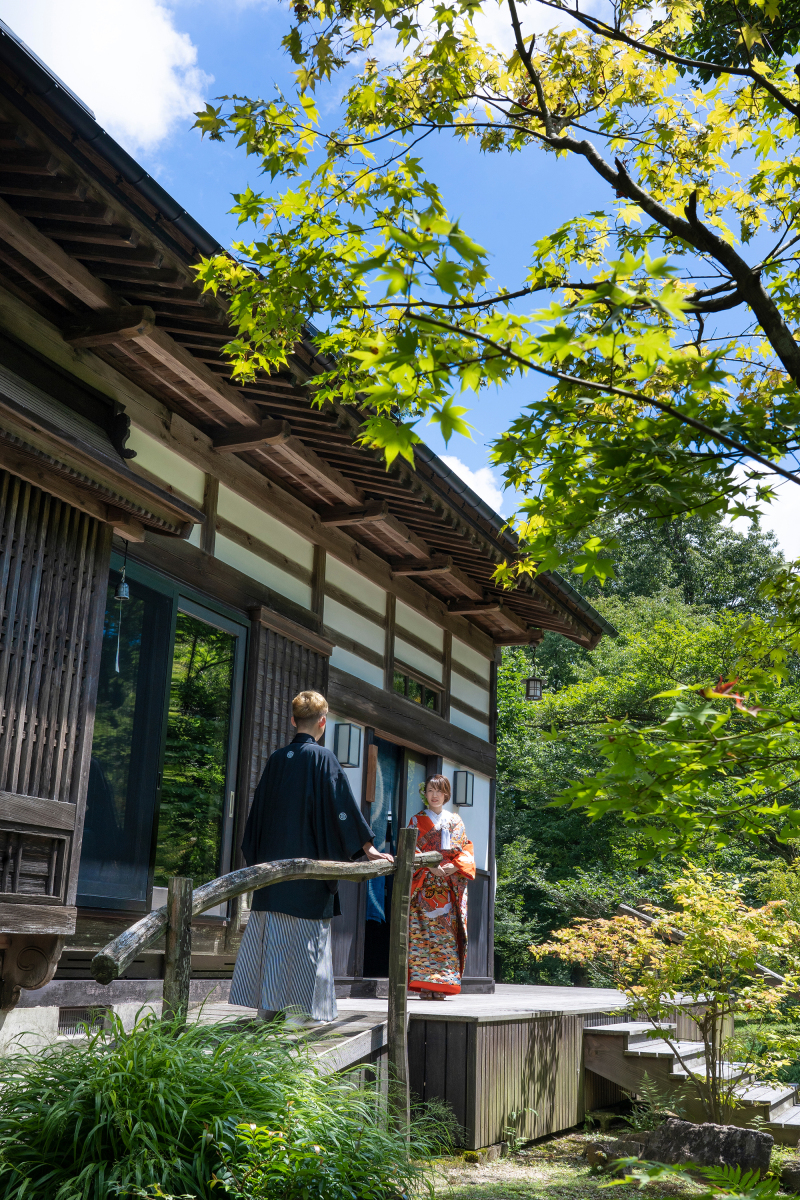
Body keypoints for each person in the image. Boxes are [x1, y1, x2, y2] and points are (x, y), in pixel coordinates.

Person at [229, 691, 392, 1023]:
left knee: (272, 943)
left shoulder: (276, 759)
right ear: (323, 721)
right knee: (305, 944)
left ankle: (266, 1011)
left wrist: (258, 860)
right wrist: (367, 846)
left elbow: (256, 816)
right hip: (308, 874)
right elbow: (342, 808)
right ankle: (298, 1015)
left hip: (272, 873)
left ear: (292, 720)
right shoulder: (323, 759)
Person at [407, 775, 476, 999]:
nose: (434, 795)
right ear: (424, 794)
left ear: (446, 794)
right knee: (422, 934)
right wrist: (430, 865)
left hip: (447, 887)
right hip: (424, 886)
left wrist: (454, 868)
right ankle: (425, 985)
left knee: (446, 937)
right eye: (430, 790)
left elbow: (466, 850)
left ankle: (443, 985)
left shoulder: (455, 821)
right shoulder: (416, 821)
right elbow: (410, 853)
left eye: (439, 791)